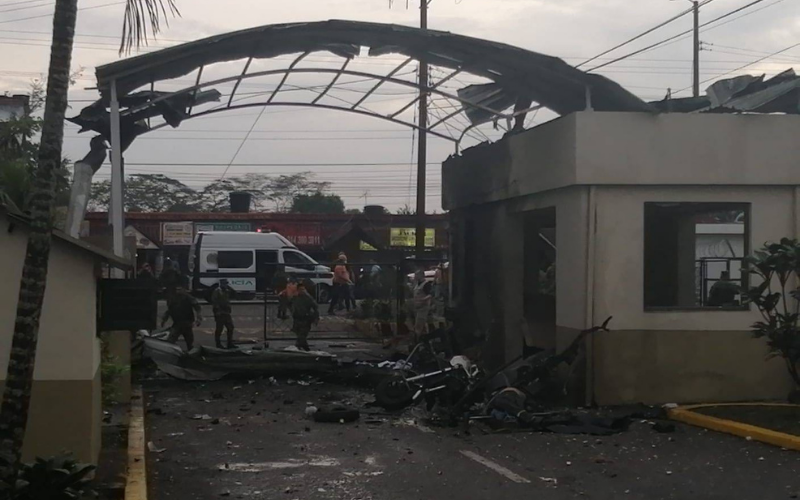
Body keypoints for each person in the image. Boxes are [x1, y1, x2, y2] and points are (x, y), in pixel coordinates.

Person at [162, 285, 203, 351]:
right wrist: (164, 319)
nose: (178, 291)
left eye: (180, 289)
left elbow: (197, 307)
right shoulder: (173, 298)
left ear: (184, 290)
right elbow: (169, 310)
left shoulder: (188, 298)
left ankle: (190, 354)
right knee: (170, 341)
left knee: (189, 342)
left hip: (187, 323)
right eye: (177, 289)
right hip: (177, 323)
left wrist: (199, 318)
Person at [291, 281, 320, 351]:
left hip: (305, 319)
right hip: (297, 319)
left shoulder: (308, 298)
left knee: (302, 335)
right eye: (300, 289)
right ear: (297, 290)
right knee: (299, 335)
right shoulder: (295, 298)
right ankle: (305, 348)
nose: (302, 291)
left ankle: (298, 347)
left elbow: (315, 306)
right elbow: (290, 304)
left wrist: (315, 317)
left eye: (303, 289)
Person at [212, 279, 236, 349]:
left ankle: (230, 343)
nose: (226, 285)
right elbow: (214, 301)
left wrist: (229, 288)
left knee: (230, 327)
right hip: (220, 312)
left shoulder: (227, 291)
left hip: (226, 312)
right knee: (219, 329)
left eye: (226, 284)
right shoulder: (217, 291)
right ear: (221, 284)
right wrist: (217, 311)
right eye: (225, 284)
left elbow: (235, 294)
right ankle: (218, 344)